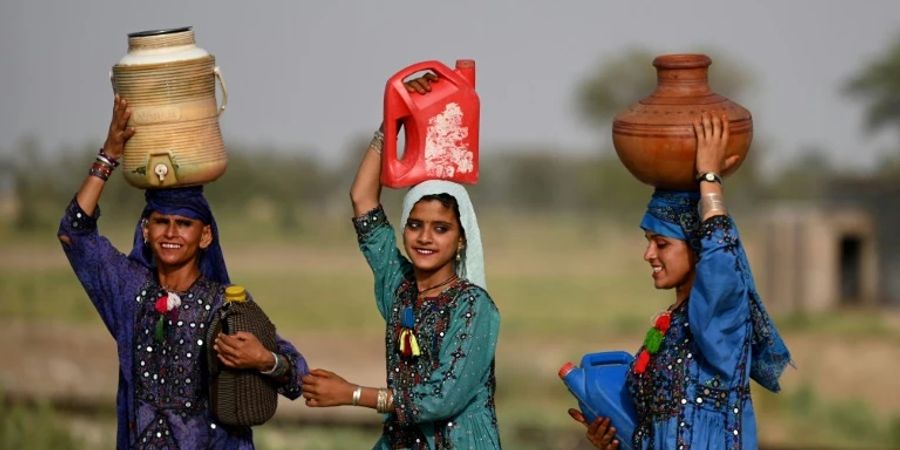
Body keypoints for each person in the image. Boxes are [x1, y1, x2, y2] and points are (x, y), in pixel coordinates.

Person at [58, 95, 310, 449]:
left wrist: (264, 360)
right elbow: (74, 233)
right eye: (161, 222)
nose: (171, 233)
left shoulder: (226, 306)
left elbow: (298, 377)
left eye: (184, 224)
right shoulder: (129, 290)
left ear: (205, 235)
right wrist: (109, 153)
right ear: (146, 229)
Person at [300, 74, 502, 449]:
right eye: (415, 225)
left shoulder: (474, 307)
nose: (425, 237)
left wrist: (353, 394)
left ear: (461, 239)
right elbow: (363, 199)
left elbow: (441, 398)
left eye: (440, 228)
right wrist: (394, 121)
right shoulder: (400, 286)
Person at [569, 113, 791, 449]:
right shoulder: (670, 323)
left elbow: (721, 258)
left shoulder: (721, 320)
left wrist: (710, 178)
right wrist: (613, 440)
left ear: (699, 246)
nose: (648, 254)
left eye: (662, 244)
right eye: (648, 241)